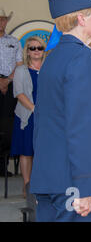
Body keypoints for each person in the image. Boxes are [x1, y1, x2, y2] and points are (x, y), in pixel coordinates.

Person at [30, 0, 91, 222]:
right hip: (74, 182)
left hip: (50, 178)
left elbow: (43, 122)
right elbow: (82, 126)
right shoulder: (82, 57)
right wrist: (85, 185)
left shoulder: (52, 58)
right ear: (80, 18)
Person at [10, 36, 46, 198]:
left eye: (40, 48)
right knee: (27, 152)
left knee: (43, 151)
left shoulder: (49, 68)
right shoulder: (21, 70)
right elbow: (19, 93)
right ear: (27, 51)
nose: (36, 51)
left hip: (47, 116)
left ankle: (41, 184)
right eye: (32, 48)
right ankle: (27, 184)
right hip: (27, 115)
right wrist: (34, 109)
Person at [0, 8, 22, 177]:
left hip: (10, 85)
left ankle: (3, 167)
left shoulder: (14, 41)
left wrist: (6, 81)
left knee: (7, 125)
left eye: (3, 19)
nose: (1, 22)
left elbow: (19, 64)